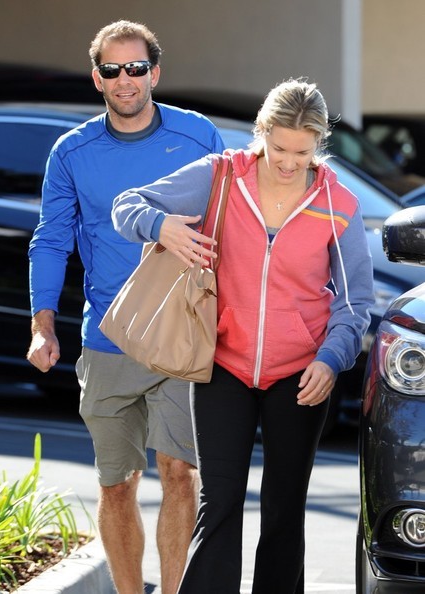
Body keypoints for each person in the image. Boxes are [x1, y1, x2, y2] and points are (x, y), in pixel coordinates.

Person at [111, 78, 375, 594]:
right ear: (262, 133)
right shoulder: (221, 177)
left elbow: (354, 303)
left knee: (283, 508)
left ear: (318, 145)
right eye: (278, 147)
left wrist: (330, 358)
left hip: (301, 374)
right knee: (221, 499)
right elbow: (127, 205)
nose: (288, 162)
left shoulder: (336, 203)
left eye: (302, 152)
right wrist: (161, 226)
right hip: (224, 366)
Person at [26, 20, 225, 594]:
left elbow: (230, 225)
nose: (125, 79)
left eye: (136, 68)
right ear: (98, 78)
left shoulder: (198, 137)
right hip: (107, 339)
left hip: (181, 336)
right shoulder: (71, 152)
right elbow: (51, 238)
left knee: (180, 473)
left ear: (154, 73)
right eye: (112, 70)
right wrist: (43, 325)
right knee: (117, 483)